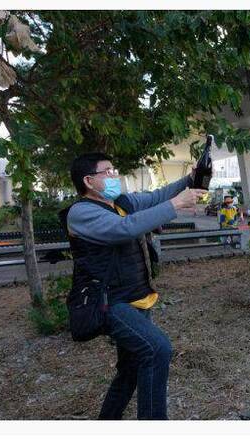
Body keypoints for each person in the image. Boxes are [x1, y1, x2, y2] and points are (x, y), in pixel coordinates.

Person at [62, 153, 205, 420]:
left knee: (130, 370)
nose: (115, 175)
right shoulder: (81, 212)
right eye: (108, 171)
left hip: (136, 297)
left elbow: (158, 196)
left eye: (115, 169)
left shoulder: (121, 202)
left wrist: (191, 178)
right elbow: (125, 229)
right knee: (157, 349)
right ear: (89, 181)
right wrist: (176, 205)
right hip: (109, 302)